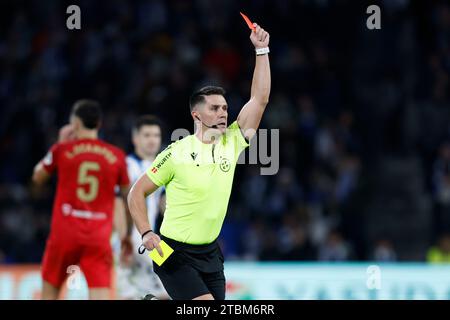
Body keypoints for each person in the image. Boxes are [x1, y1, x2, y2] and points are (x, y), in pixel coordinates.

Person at [127, 22, 271, 300]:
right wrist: (146, 232)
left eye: (225, 108)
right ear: (196, 116)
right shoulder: (175, 153)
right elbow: (136, 192)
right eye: (214, 108)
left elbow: (260, 98)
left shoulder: (233, 141)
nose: (222, 113)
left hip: (210, 252)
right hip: (172, 251)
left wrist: (262, 49)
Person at [32, 100, 131, 300]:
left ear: (75, 124)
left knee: (49, 296)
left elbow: (37, 177)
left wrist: (59, 143)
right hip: (98, 237)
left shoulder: (63, 150)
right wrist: (126, 234)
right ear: (99, 124)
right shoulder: (117, 156)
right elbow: (128, 196)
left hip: (64, 235)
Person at [112, 115, 168, 300]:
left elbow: (163, 205)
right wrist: (123, 239)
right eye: (147, 135)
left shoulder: (161, 167)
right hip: (128, 240)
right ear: (135, 138)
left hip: (148, 239)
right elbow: (117, 203)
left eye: (156, 135)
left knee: (142, 294)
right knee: (172, 274)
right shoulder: (126, 166)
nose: (152, 140)